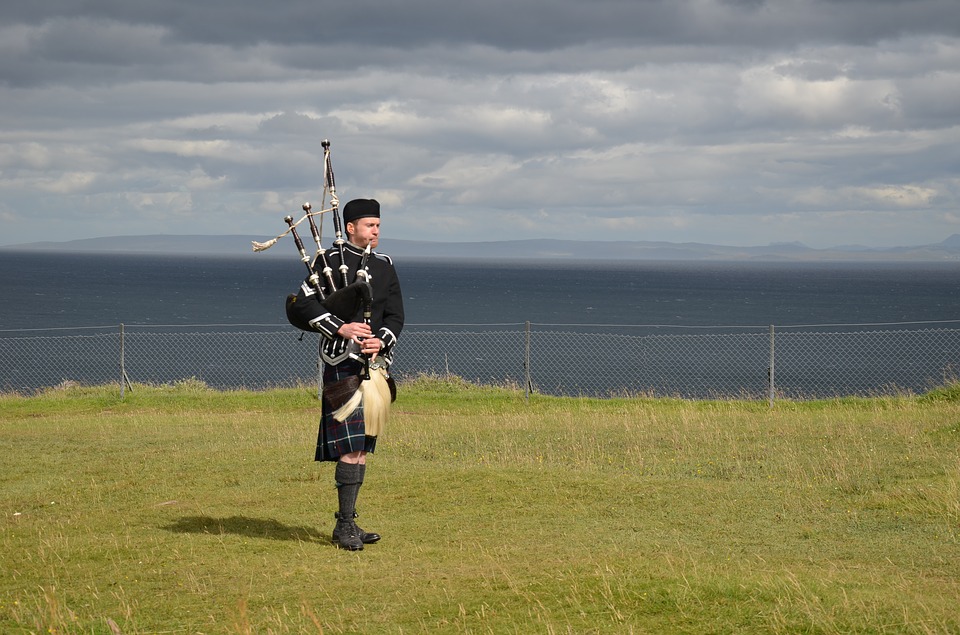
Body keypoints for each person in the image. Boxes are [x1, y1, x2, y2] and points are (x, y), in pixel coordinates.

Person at [288, 198, 404, 550]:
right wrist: (341, 328)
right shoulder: (327, 262)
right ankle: (344, 526)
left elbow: (396, 317)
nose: (376, 232)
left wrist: (380, 342)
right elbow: (303, 304)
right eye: (370, 226)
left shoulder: (385, 267)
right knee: (350, 447)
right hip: (342, 364)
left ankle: (348, 523)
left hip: (374, 367)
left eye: (379, 226)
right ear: (350, 227)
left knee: (362, 448)